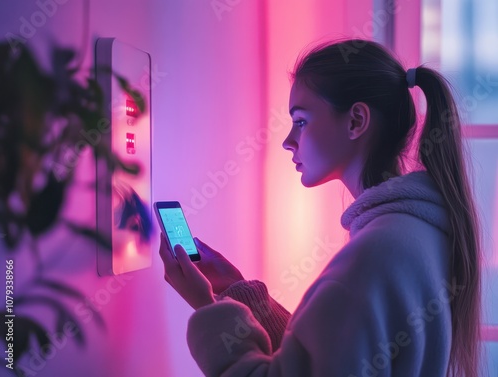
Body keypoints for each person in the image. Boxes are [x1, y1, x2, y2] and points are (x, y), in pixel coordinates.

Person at [159, 39, 483, 377]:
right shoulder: (418, 230)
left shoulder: (373, 255)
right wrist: (239, 293)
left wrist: (208, 307)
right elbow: (329, 358)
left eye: (300, 121)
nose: (288, 140)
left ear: (356, 120)